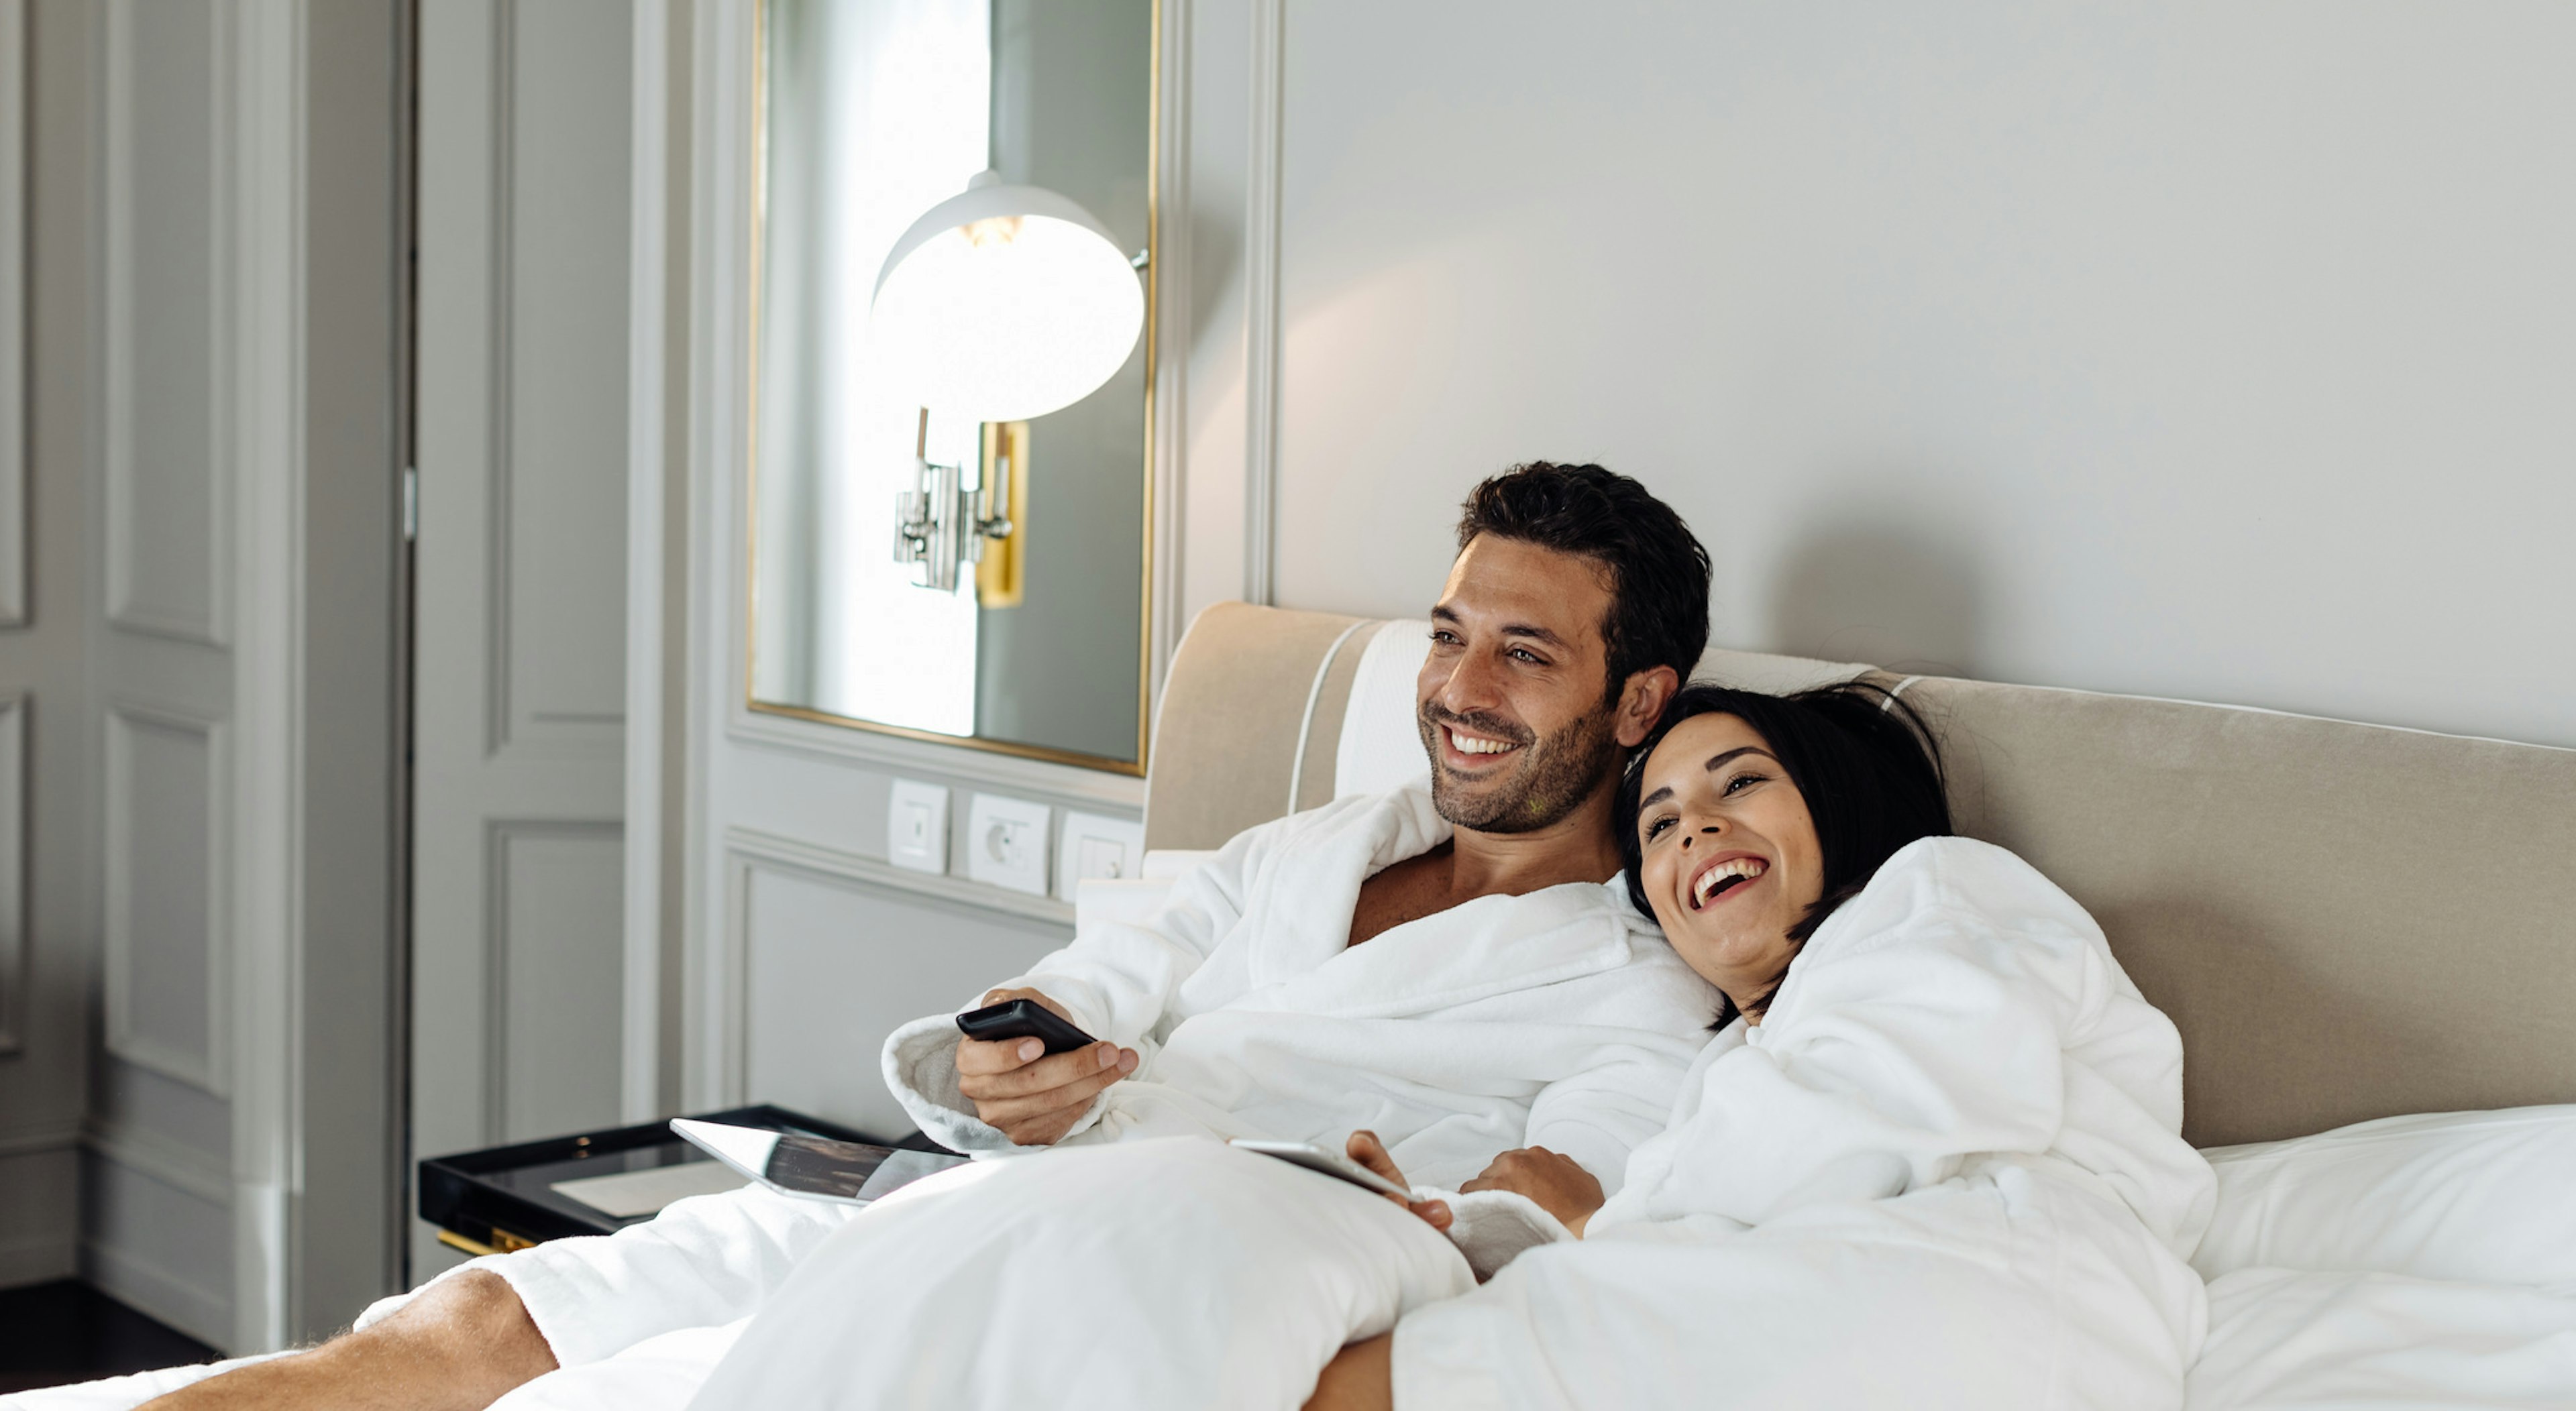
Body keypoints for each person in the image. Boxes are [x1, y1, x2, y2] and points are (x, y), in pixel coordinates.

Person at [131, 461, 1725, 1411]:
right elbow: (1082, 989)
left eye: (1526, 652)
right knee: (480, 1317)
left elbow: (1569, 1198)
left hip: (1176, 1256)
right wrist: (1010, 1049)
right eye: (1450, 634)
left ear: (1639, 697)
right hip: (990, 1185)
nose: (1460, 687)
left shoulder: (1635, 981)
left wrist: (1437, 1198)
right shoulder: (1312, 848)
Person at [1307, 681, 2216, 1410]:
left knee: (1426, 1371)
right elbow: (1712, 1214)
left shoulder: (1937, 890)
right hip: (1848, 1285)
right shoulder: (1730, 1068)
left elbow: (1865, 1123)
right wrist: (1435, 1219)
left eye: (1739, 783)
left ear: (1834, 802)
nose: (1696, 826)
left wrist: (1594, 1228)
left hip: (2014, 1276)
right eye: (1659, 825)